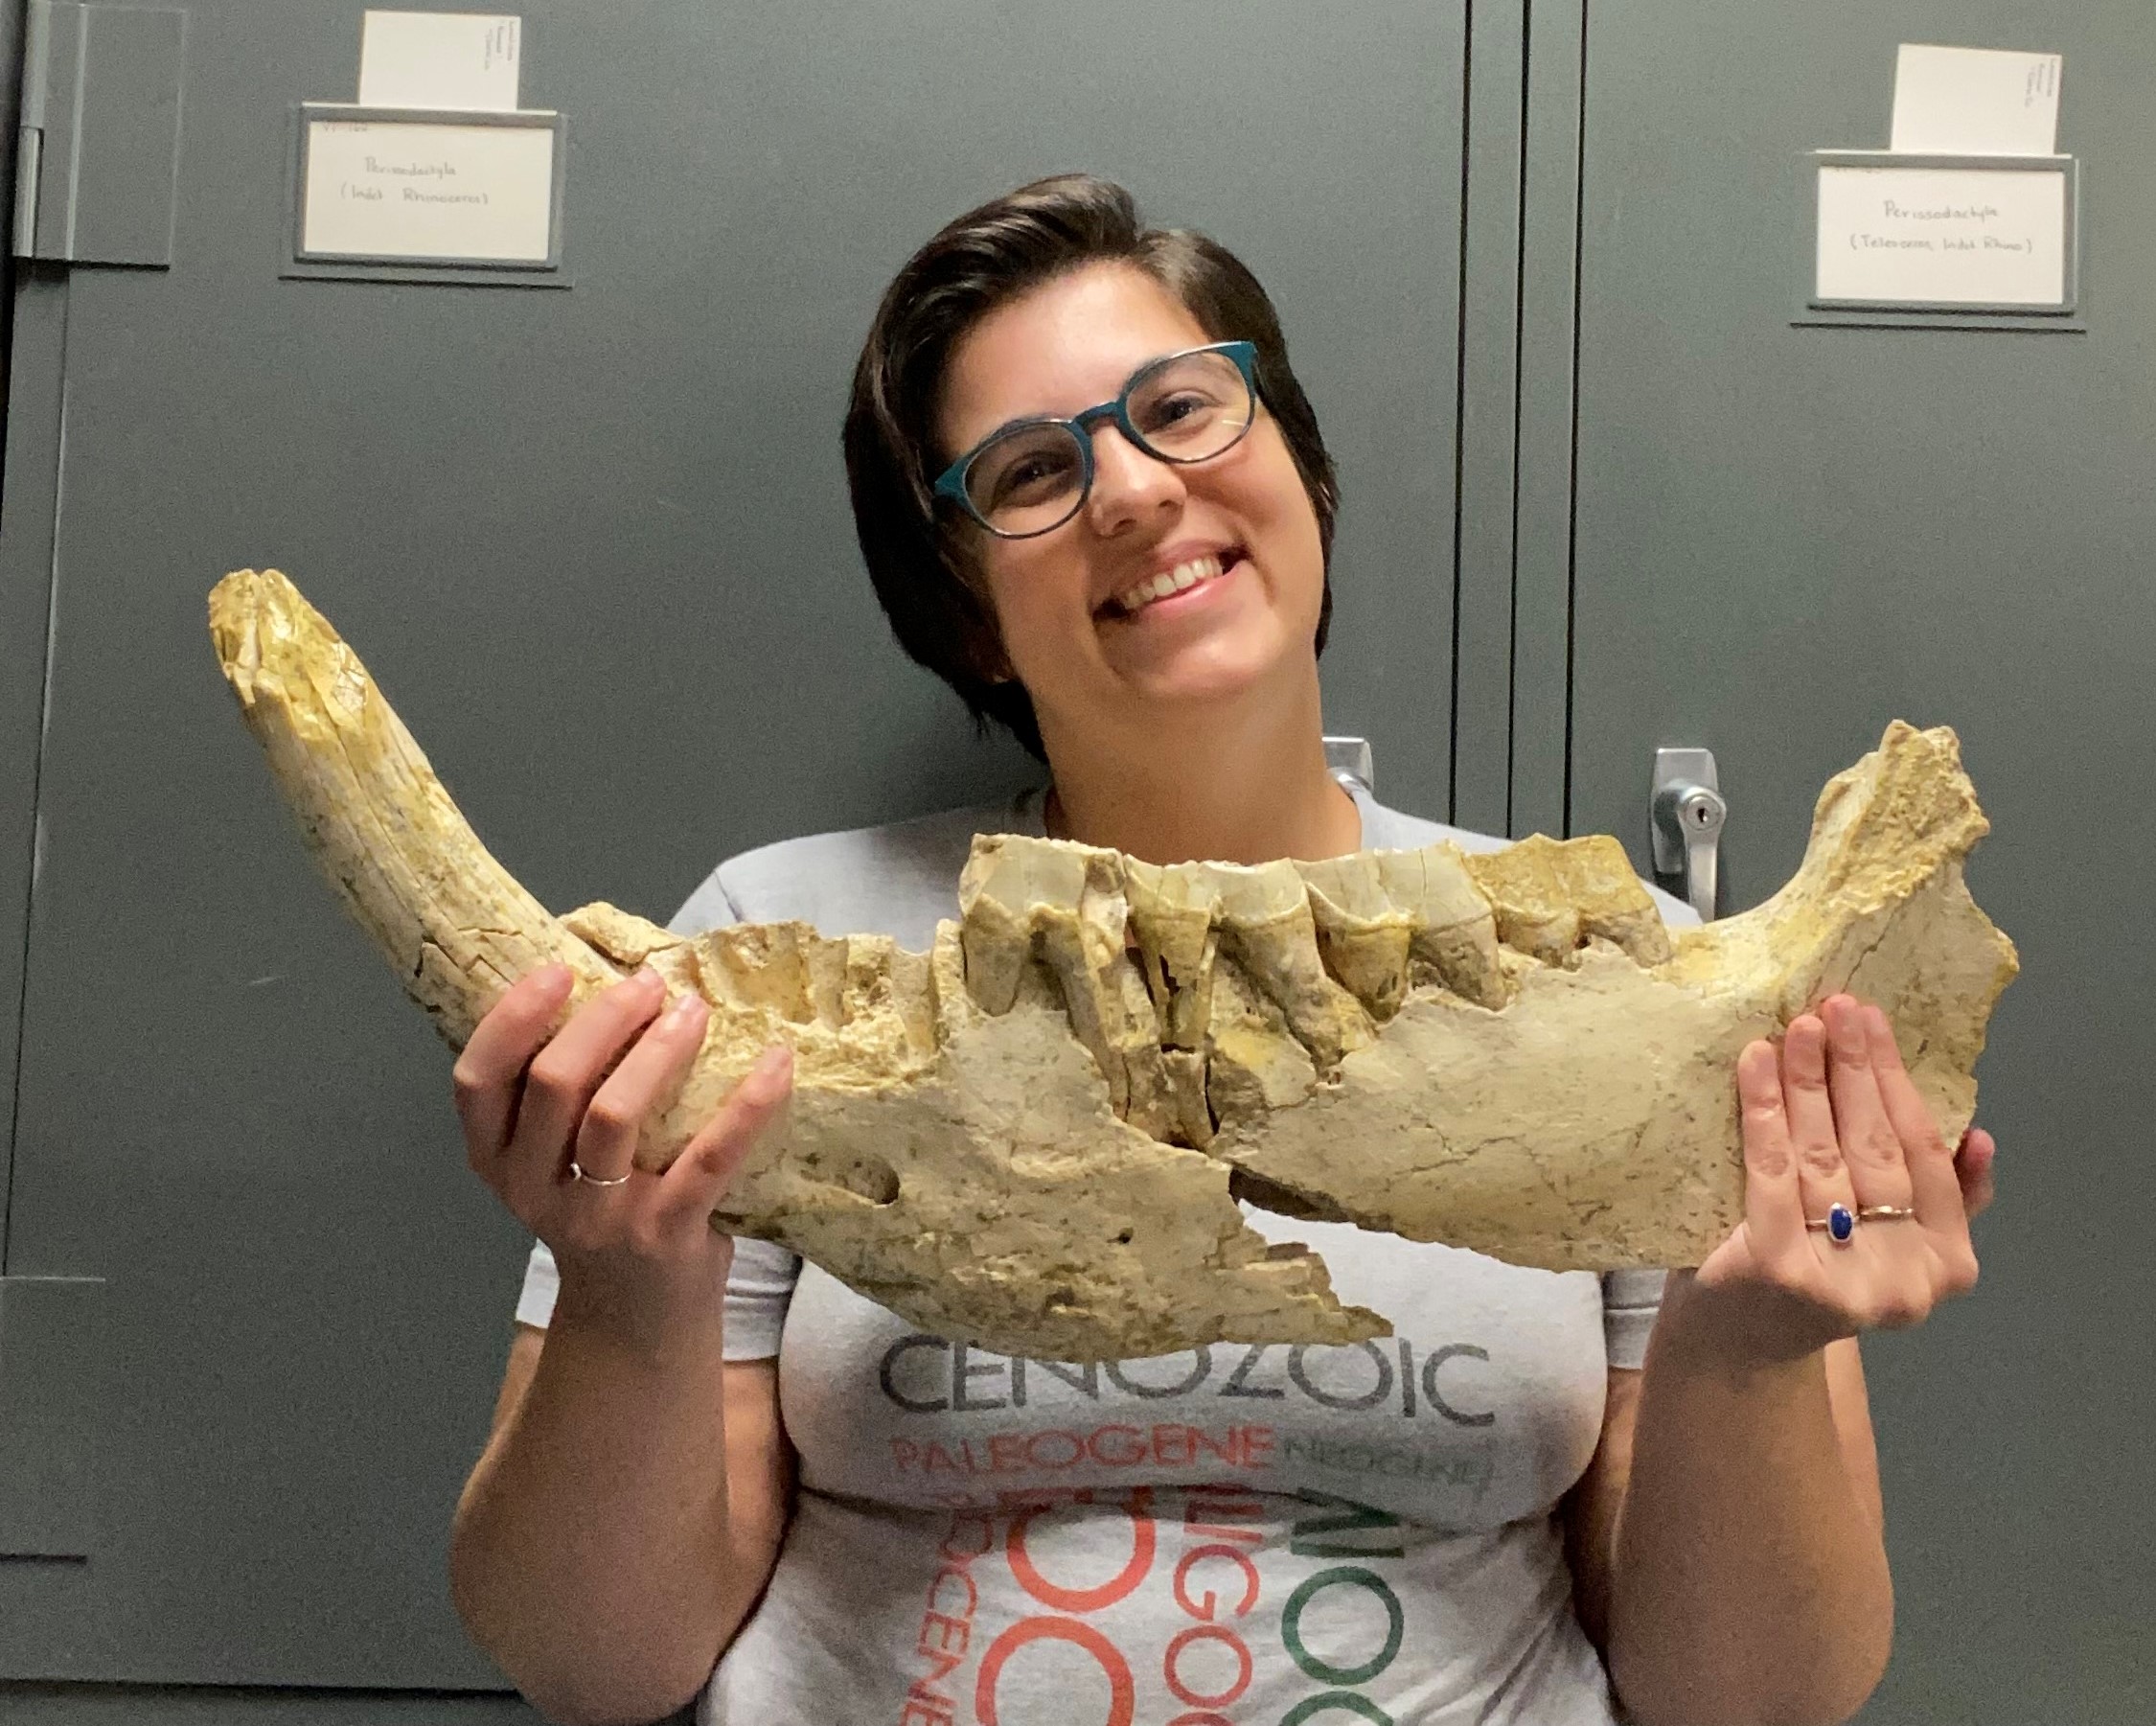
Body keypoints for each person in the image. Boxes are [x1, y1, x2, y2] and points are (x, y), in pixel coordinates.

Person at [446, 175, 1998, 1726]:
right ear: (968, 614)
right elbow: (597, 1662)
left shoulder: (1635, 974)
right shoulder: (770, 957)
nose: (1128, 490)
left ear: (1299, 477)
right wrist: (620, 1292)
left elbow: (1746, 1701)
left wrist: (1748, 1349)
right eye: (1032, 469)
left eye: (1181, 408)